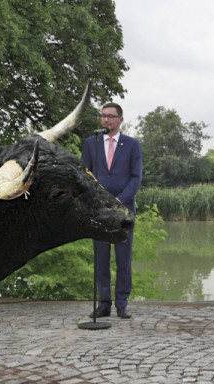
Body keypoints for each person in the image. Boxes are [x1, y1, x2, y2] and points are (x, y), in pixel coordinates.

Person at [81, 103, 143, 319]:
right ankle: (104, 303)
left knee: (123, 259)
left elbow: (136, 178)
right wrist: (98, 201)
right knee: (101, 258)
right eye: (103, 116)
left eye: (110, 116)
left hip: (123, 212)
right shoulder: (91, 143)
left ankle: (122, 304)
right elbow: (85, 175)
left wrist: (117, 201)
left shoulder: (132, 145)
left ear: (120, 120)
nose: (106, 120)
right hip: (99, 211)